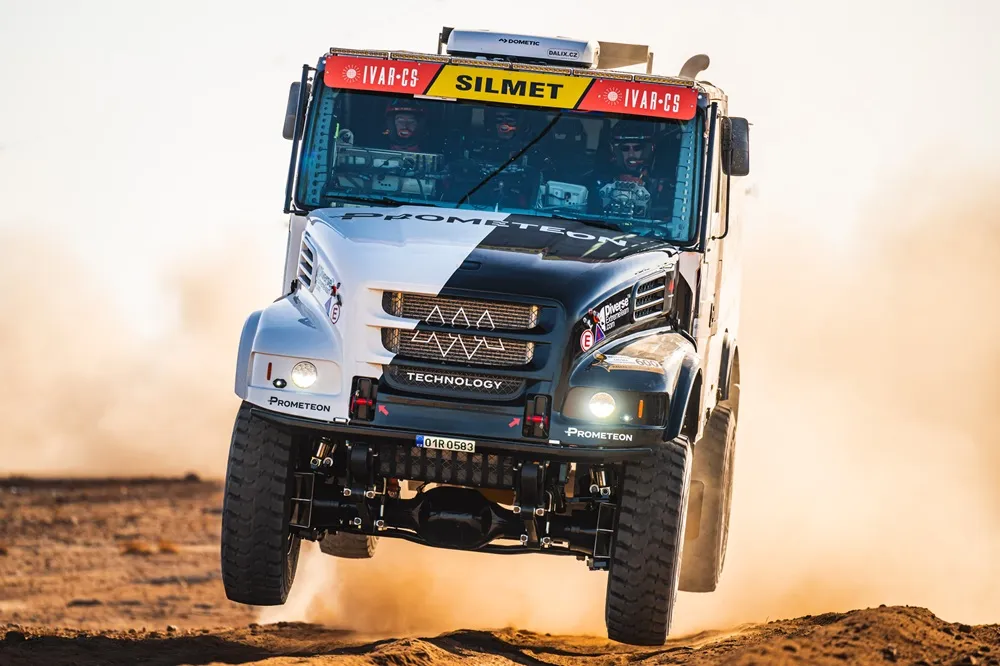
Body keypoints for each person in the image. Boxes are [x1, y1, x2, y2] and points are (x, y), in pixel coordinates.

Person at [588, 120, 661, 218]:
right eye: (625, 148)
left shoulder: (660, 186)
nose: (631, 154)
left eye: (637, 148)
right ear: (616, 152)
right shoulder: (599, 181)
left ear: (647, 150)